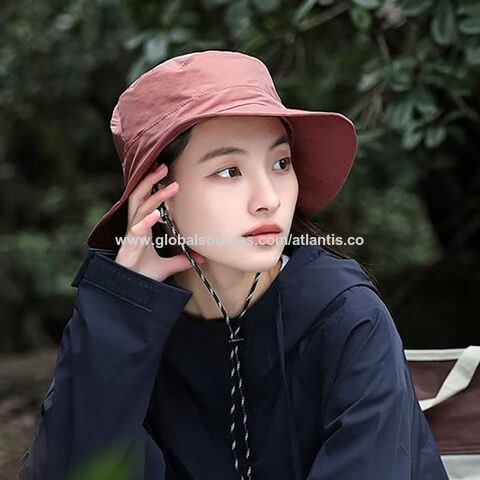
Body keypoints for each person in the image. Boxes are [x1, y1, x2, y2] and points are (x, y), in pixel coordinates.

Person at [19, 50, 449, 479]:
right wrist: (123, 312)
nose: (270, 198)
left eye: (280, 163)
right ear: (158, 198)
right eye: (229, 171)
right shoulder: (127, 325)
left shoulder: (346, 316)